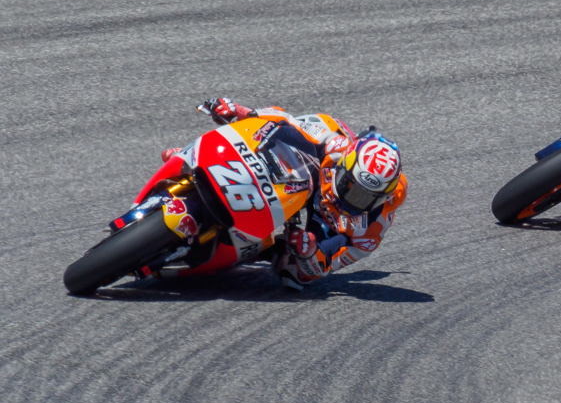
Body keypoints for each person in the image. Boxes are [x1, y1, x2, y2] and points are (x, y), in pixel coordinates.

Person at [163, 98, 407, 289]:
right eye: (350, 186)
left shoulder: (371, 230)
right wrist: (238, 111)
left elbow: (326, 267)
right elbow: (284, 119)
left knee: (294, 276)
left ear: (381, 198)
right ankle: (195, 155)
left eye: (365, 198)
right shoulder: (333, 142)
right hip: (306, 173)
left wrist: (310, 252)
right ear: (344, 165)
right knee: (265, 136)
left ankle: (258, 247)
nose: (353, 199)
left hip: (320, 222)